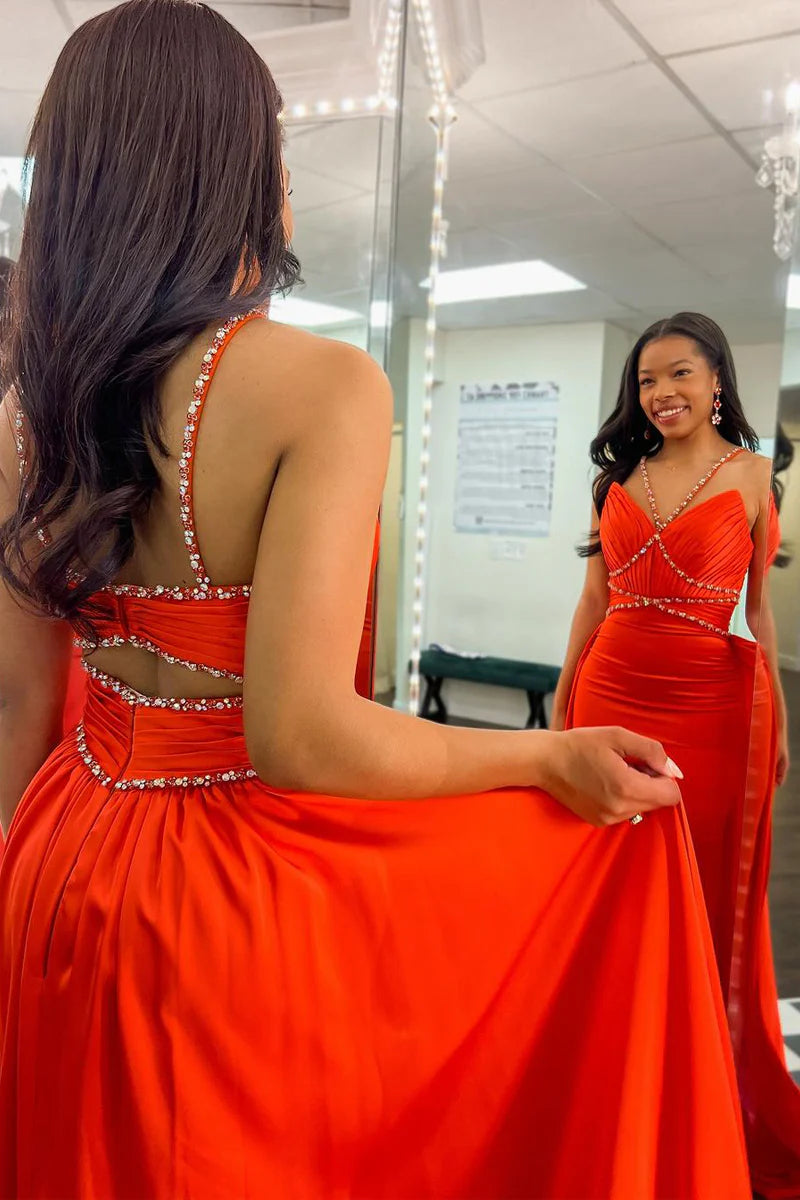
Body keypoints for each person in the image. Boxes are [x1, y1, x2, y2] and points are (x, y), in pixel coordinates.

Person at [0, 4, 752, 1196]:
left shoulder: (27, 414)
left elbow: (18, 715)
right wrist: (544, 760)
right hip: (214, 890)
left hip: (56, 855)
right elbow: (299, 736)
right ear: (233, 162)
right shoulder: (320, 385)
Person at [552, 311, 800, 1198]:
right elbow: (592, 600)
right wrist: (562, 702)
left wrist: (776, 721)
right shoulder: (616, 479)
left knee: (694, 881)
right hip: (610, 686)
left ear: (718, 380)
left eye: (682, 375)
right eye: (650, 381)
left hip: (712, 704)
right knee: (602, 873)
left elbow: (761, 613)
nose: (665, 394)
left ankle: (687, 1054)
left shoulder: (753, 477)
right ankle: (606, 1044)